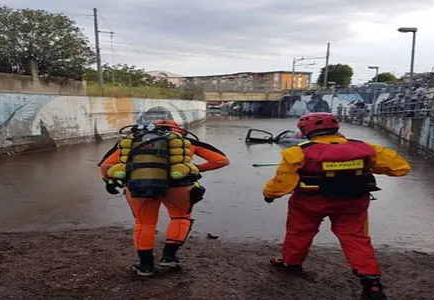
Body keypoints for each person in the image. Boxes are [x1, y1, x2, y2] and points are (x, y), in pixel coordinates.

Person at [262, 112, 410, 300]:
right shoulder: (365, 148)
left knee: (299, 232)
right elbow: (401, 168)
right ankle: (372, 284)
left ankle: (291, 263)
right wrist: (364, 166)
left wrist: (269, 194)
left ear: (305, 130)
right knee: (356, 238)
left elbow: (282, 182)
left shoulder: (298, 152)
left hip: (310, 203)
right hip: (353, 202)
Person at [98, 119, 229, 277]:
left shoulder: (132, 141)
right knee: (180, 217)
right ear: (178, 130)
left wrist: (109, 181)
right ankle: (169, 257)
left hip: (140, 186)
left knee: (144, 223)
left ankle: (145, 266)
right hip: (180, 186)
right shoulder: (185, 142)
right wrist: (195, 169)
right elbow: (221, 161)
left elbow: (105, 165)